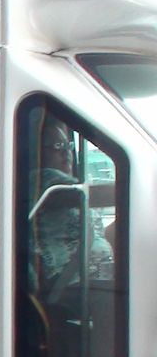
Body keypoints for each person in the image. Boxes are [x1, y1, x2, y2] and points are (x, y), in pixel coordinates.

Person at [31, 114, 113, 297]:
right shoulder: (43, 179)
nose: (66, 152)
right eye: (57, 146)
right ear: (38, 152)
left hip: (87, 278)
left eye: (67, 146)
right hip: (67, 285)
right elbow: (96, 196)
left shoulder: (65, 182)